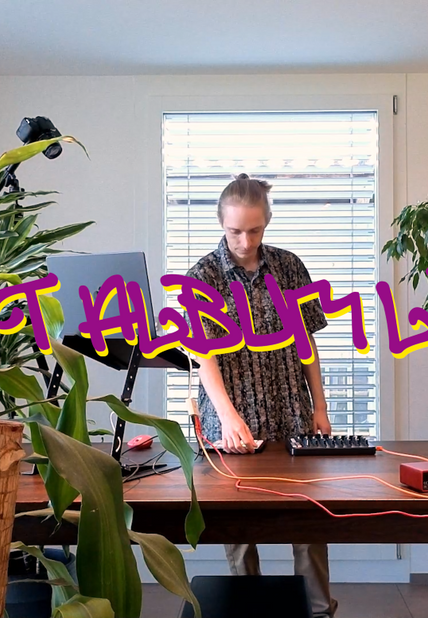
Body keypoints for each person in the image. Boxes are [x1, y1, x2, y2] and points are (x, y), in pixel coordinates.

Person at [185, 173, 337, 618]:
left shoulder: (290, 268)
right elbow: (204, 357)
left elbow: (307, 343)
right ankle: (247, 609)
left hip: (291, 408)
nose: (245, 241)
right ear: (221, 223)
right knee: (240, 527)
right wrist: (228, 416)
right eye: (235, 231)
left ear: (266, 224)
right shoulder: (202, 276)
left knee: (306, 519)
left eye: (255, 230)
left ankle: (318, 611)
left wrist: (320, 407)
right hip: (231, 416)